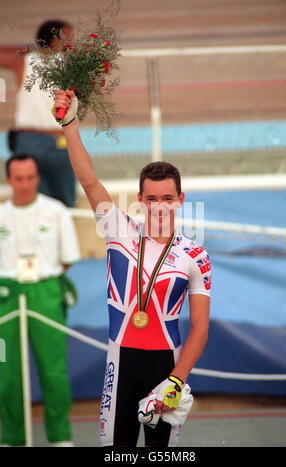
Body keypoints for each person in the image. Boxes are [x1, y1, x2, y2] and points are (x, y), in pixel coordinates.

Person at [53, 90, 211, 447]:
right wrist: (69, 123)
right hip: (120, 362)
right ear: (140, 200)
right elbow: (90, 181)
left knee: (160, 454)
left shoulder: (195, 254)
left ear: (180, 200)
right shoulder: (119, 230)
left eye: (168, 199)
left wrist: (176, 380)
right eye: (152, 198)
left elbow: (200, 328)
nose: (159, 206)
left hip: (166, 369)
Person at [0, 153, 81, 447]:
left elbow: (68, 258)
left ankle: (60, 437)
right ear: (8, 179)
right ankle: (12, 436)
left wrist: (43, 278)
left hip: (46, 291)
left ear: (38, 177)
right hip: (5, 295)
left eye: (30, 177)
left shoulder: (56, 211)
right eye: (18, 178)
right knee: (6, 369)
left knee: (53, 369)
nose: (25, 184)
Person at [0, 20, 76, 207]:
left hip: (31, 141)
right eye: (67, 39)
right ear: (53, 40)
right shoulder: (69, 64)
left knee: (40, 205)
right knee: (61, 206)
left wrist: (29, 49)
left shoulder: (23, 61)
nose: (71, 44)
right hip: (53, 142)